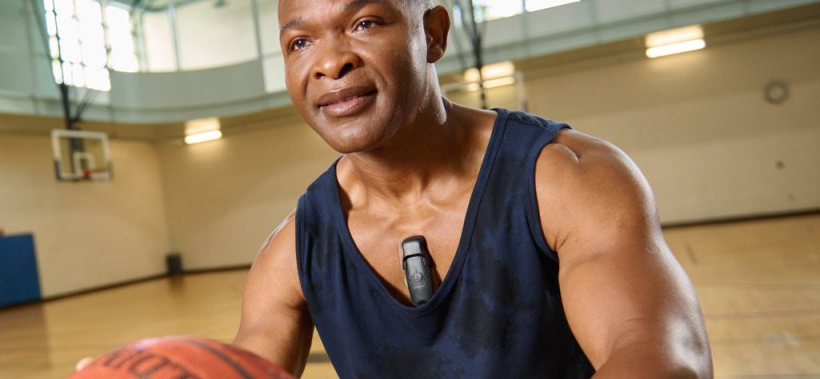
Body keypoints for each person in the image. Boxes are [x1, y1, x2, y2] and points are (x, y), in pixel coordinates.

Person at [229, 0, 713, 377]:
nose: (330, 63)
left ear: (433, 33)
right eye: (299, 43)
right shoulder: (294, 250)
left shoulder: (567, 178)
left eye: (366, 23)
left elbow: (664, 361)